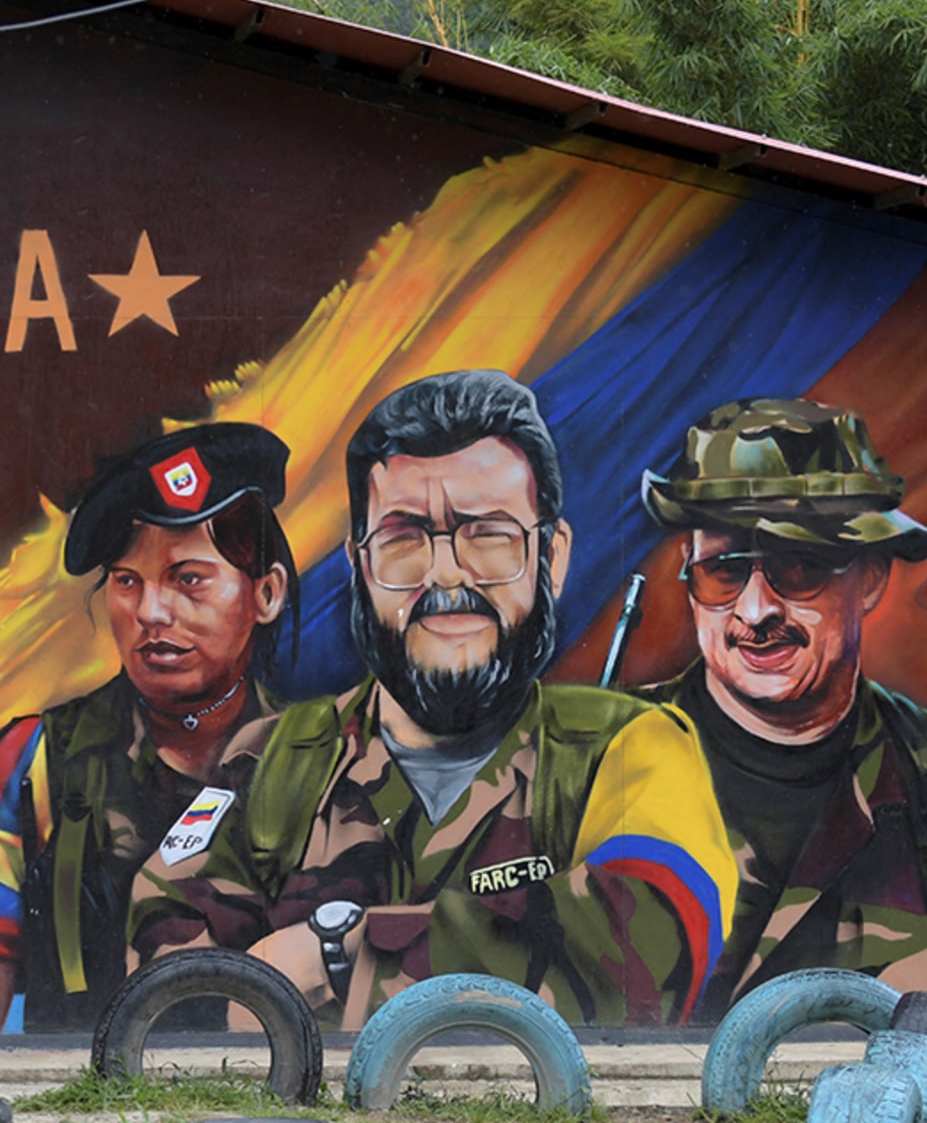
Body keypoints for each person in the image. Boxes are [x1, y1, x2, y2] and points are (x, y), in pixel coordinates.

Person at [128, 370, 739, 1028]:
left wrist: (336, 958)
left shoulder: (632, 748)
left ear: (552, 558)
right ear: (361, 567)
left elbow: (645, 948)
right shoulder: (271, 760)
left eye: (489, 534)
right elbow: (163, 973)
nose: (446, 575)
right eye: (404, 539)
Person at [636, 396, 927, 1021]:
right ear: (689, 574)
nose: (755, 611)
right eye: (724, 571)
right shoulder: (579, 774)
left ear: (871, 578)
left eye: (799, 567)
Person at [0, 423, 299, 1033]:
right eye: (126, 581)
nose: (150, 612)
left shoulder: (329, 761)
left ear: (266, 593)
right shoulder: (29, 764)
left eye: (188, 579)